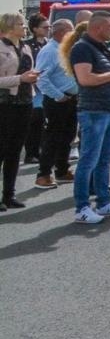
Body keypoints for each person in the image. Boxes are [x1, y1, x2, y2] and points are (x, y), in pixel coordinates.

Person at [70, 10, 110, 223]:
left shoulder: (104, 48)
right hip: (93, 111)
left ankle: (104, 203)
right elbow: (86, 79)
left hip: (109, 110)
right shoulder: (82, 48)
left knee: (105, 159)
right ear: (97, 28)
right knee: (88, 160)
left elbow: (105, 75)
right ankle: (82, 207)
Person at [0, 12, 41, 211]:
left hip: (25, 102)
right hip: (5, 104)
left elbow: (28, 72)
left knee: (15, 151)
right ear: (8, 26)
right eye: (20, 23)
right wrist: (19, 79)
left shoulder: (25, 47)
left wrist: (34, 77)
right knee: (2, 149)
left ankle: (9, 195)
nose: (24, 27)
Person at [32, 19, 77, 190]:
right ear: (60, 32)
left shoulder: (64, 49)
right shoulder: (49, 51)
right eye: (70, 30)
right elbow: (41, 78)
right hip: (57, 100)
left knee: (67, 136)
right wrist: (58, 95)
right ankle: (43, 175)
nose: (73, 34)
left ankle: (62, 170)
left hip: (70, 99)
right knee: (53, 138)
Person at [21, 14, 48, 167]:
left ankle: (45, 150)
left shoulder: (49, 44)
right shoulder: (27, 46)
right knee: (35, 120)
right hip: (34, 88)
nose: (47, 30)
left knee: (47, 120)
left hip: (48, 87)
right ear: (35, 29)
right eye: (44, 27)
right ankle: (31, 153)